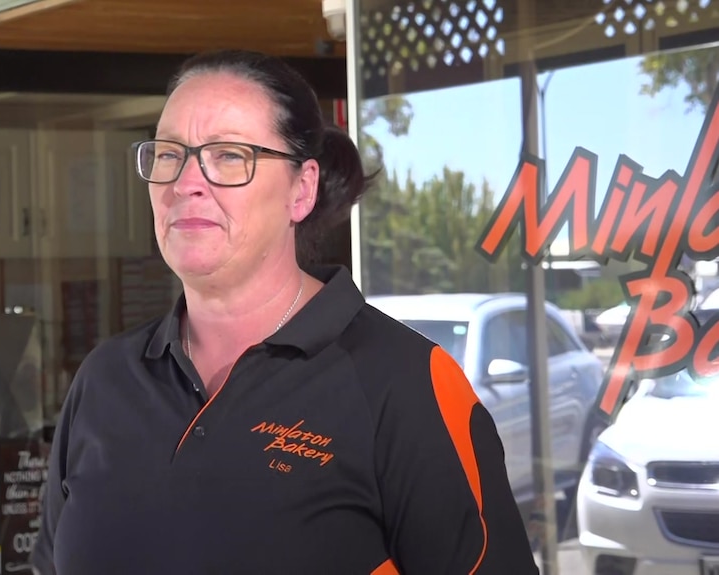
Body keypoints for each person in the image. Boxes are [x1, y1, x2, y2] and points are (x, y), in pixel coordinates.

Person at [30, 49, 539, 575]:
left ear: (302, 189)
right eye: (168, 154)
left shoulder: (405, 386)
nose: (186, 182)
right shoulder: (106, 380)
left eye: (229, 155)